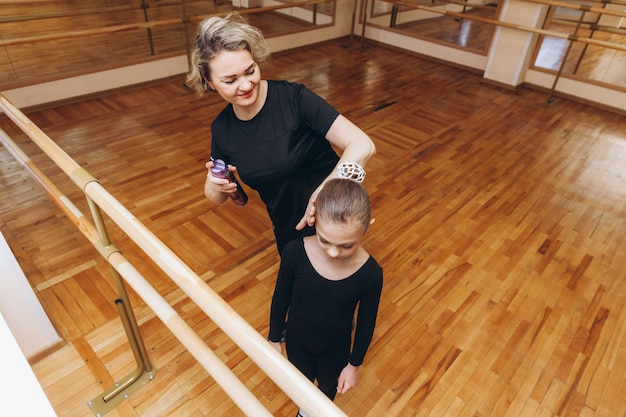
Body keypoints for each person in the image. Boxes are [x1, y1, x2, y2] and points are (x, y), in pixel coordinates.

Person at [186, 13, 376, 255]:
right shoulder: (223, 129)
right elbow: (216, 197)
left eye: (250, 71)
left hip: (335, 223)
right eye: (230, 80)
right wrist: (216, 185)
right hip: (288, 228)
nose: (245, 85)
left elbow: (363, 144)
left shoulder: (294, 99)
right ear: (209, 82)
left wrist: (324, 191)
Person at [267, 178, 383, 416]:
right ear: (314, 220)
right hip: (298, 342)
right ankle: (304, 410)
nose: (333, 252)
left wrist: (354, 365)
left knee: (327, 387)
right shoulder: (294, 253)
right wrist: (274, 338)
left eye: (346, 246)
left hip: (335, 349)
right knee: (301, 382)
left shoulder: (371, 273)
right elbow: (281, 297)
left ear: (366, 229)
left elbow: (366, 322)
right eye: (324, 240)